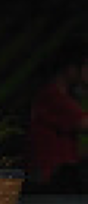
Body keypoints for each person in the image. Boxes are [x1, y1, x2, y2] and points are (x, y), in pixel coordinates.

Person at [27, 41, 88, 192]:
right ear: (71, 69)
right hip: (52, 183)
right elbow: (84, 123)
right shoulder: (52, 97)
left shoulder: (57, 96)